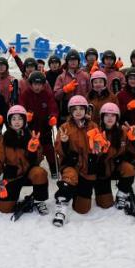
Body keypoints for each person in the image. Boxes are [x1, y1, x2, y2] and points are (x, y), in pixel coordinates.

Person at [0, 105, 50, 215]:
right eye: (14, 119)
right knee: (4, 209)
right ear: (9, 121)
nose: (17, 122)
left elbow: (38, 160)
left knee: (40, 173)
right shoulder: (3, 139)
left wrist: (33, 151)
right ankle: (20, 201)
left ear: (25, 120)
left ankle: (39, 200)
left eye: (20, 118)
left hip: (29, 172)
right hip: (12, 175)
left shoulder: (31, 136)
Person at [51, 95, 98, 226]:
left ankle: (76, 191)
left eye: (81, 109)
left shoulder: (93, 126)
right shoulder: (65, 126)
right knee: (69, 176)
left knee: (83, 209)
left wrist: (98, 146)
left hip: (87, 167)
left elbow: (99, 147)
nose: (78, 112)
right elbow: (58, 150)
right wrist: (64, 143)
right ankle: (61, 209)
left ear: (86, 110)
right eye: (75, 109)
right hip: (71, 165)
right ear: (70, 111)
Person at [92, 103, 135, 210]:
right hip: (103, 170)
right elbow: (91, 153)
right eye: (106, 115)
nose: (110, 118)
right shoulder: (96, 132)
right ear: (102, 117)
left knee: (129, 169)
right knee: (105, 204)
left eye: (113, 115)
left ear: (117, 117)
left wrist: (134, 139)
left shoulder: (123, 131)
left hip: (117, 165)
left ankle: (122, 193)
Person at [19, 72, 57, 177]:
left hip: (45, 127)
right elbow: (21, 106)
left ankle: (54, 168)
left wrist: (53, 116)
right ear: (31, 84)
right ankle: (31, 168)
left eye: (39, 84)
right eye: (35, 84)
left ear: (43, 85)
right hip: (30, 128)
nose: (37, 87)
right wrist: (25, 115)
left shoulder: (47, 94)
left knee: (49, 149)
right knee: (31, 149)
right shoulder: (25, 94)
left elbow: (53, 107)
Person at [52, 50, 89, 117]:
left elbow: (90, 93)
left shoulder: (85, 76)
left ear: (78, 61)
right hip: (67, 111)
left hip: (82, 109)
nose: (73, 62)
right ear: (67, 62)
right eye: (71, 60)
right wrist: (64, 90)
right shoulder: (61, 77)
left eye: (75, 60)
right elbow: (56, 96)